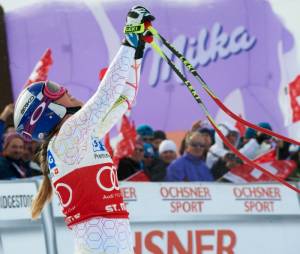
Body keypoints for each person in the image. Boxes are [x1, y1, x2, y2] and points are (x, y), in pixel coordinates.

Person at [13, 6, 155, 254]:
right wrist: (129, 40)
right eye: (55, 91)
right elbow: (105, 95)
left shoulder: (79, 138)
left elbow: (124, 97)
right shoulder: (67, 137)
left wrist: (137, 53)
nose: (65, 90)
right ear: (45, 111)